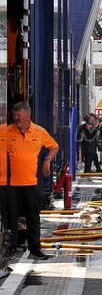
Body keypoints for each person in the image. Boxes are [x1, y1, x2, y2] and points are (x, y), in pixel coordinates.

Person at [0, 102, 59, 260]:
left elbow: (54, 147)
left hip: (33, 183)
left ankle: (35, 249)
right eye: (14, 115)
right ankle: (10, 248)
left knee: (33, 217)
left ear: (28, 116)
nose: (16, 118)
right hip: (11, 184)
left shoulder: (39, 132)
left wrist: (47, 160)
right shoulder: (5, 131)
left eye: (19, 115)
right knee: (10, 217)